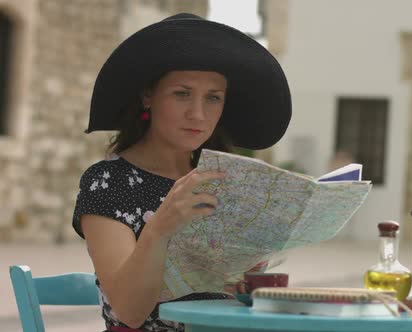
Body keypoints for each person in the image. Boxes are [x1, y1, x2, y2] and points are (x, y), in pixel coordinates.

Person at [72, 13, 291, 332]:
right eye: (182, 93)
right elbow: (130, 312)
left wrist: (249, 280)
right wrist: (160, 227)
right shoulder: (107, 183)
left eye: (213, 98)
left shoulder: (224, 184)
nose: (198, 113)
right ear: (149, 95)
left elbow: (235, 303)